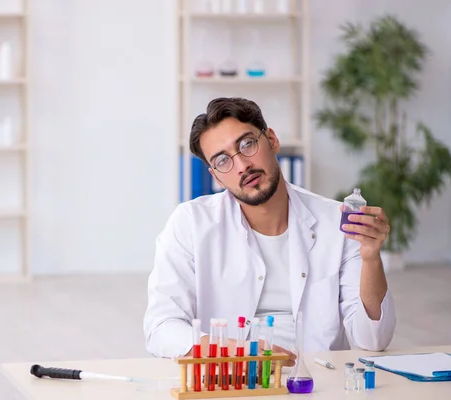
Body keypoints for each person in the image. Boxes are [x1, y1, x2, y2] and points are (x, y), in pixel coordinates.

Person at [143, 97, 396, 363]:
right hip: (232, 379)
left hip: (316, 379)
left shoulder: (336, 222)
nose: (242, 166)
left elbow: (374, 340)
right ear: (215, 176)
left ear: (272, 140)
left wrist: (371, 259)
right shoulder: (190, 223)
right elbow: (161, 328)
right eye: (222, 160)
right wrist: (244, 352)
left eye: (247, 144)